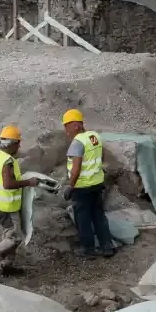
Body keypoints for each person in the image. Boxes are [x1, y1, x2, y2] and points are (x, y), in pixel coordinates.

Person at [0, 125, 39, 280]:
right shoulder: (8, 161)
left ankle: (7, 266)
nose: (19, 146)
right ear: (11, 143)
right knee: (15, 238)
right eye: (17, 143)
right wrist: (29, 182)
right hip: (6, 206)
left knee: (9, 236)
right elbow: (8, 184)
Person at [62, 109, 115, 258]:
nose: (66, 131)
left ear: (76, 125)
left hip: (82, 187)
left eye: (67, 126)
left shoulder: (77, 142)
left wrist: (70, 186)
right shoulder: (94, 136)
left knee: (83, 218)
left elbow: (76, 168)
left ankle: (89, 250)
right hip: (97, 184)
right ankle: (107, 247)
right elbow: (101, 157)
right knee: (99, 215)